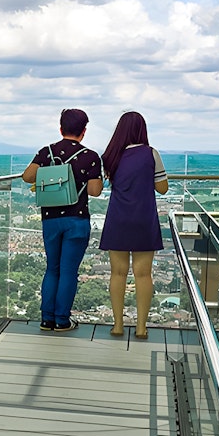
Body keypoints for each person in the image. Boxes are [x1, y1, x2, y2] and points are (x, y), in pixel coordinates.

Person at [22, 108, 104, 332]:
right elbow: (95, 191)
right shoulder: (90, 156)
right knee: (69, 271)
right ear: (84, 131)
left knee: (52, 269)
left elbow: (27, 176)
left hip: (50, 219)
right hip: (76, 219)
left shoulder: (46, 152)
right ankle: (61, 320)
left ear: (61, 128)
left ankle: (46, 319)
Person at [98, 111, 169, 339]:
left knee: (117, 273)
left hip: (117, 217)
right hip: (143, 218)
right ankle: (141, 328)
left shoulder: (110, 156)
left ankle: (118, 325)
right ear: (142, 129)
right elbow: (163, 188)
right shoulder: (151, 154)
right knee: (143, 274)